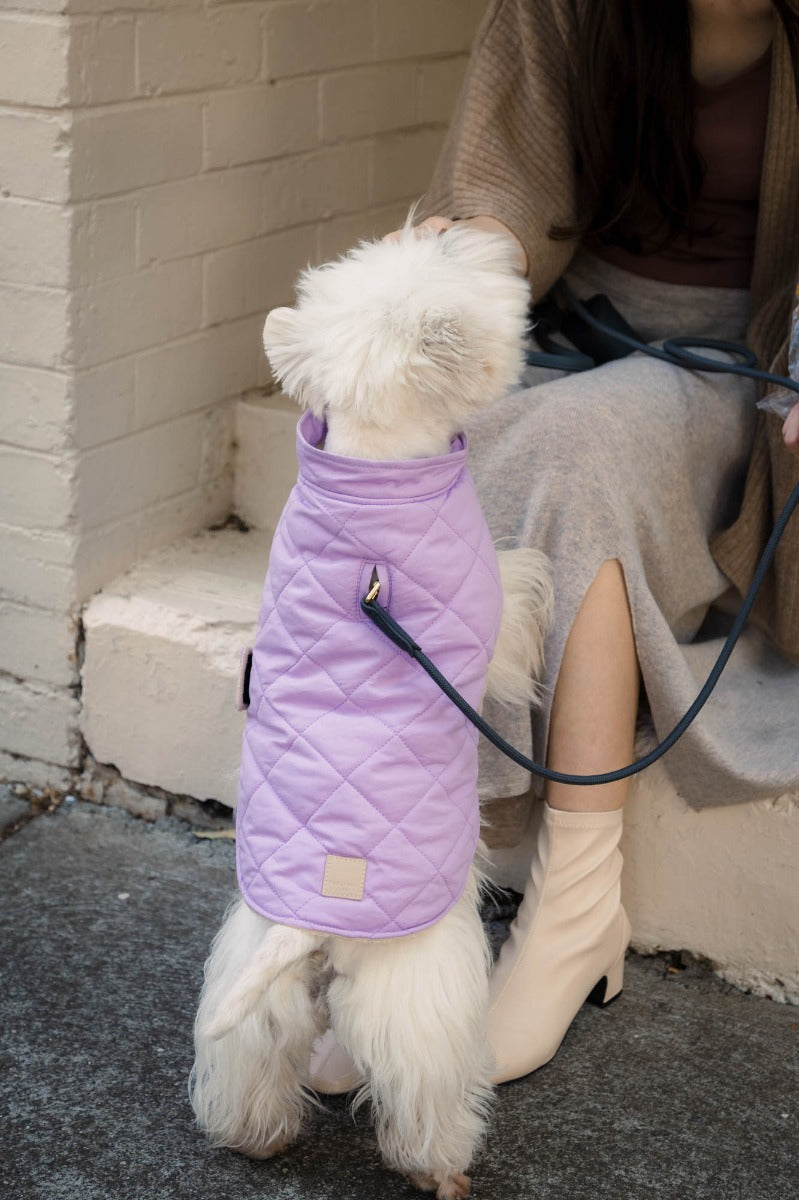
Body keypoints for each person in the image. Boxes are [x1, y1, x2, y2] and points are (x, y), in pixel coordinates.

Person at [309, 0, 799, 1092]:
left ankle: (574, 911)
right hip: (566, 333)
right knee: (422, 437)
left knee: (581, 441)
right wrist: (455, 270)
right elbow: (500, 188)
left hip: (745, 376)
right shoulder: (561, 8)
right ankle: (403, 910)